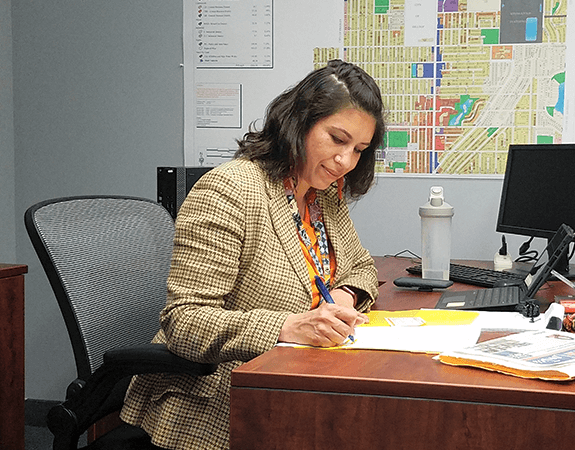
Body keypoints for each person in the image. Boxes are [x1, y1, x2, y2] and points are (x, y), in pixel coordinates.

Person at [120, 60, 385, 449]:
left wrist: (343, 298)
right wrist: (290, 327)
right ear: (300, 124)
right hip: (223, 400)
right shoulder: (231, 189)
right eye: (337, 139)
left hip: (299, 377)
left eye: (359, 149)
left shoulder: (323, 194)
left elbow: (361, 266)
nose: (346, 161)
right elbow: (184, 321)